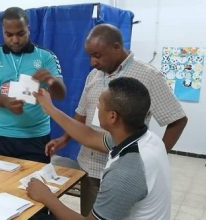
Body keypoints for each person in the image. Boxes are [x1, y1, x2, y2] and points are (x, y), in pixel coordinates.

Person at [45, 23, 187, 215]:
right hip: (90, 166)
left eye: (97, 55)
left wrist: (152, 160)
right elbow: (86, 126)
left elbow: (177, 119)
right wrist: (64, 136)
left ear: (116, 47)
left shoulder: (149, 76)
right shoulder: (94, 76)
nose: (92, 62)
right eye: (90, 56)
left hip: (119, 171)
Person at [28, 77, 171, 220]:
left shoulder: (123, 173)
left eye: (100, 102)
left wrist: (47, 197)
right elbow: (89, 137)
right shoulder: (148, 139)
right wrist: (50, 109)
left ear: (112, 116)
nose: (97, 106)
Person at [0, 7, 66, 163]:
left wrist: (51, 80)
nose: (15, 40)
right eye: (9, 35)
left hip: (37, 135)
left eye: (20, 33)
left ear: (28, 29)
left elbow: (61, 94)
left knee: (35, 182)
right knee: (1, 183)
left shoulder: (46, 56)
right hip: (2, 134)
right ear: (2, 31)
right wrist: (6, 101)